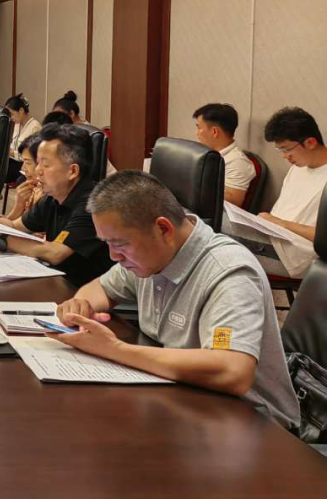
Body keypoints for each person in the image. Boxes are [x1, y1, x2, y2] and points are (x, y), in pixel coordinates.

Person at [53, 171, 299, 429]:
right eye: (106, 243)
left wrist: (114, 350)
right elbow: (101, 288)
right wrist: (81, 306)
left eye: (120, 244)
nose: (114, 256)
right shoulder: (148, 255)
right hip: (185, 399)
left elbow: (233, 371)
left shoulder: (229, 272)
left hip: (252, 423)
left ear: (163, 229)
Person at [0, 123, 112, 286]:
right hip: (56, 281)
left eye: (46, 165)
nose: (38, 171)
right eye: (37, 163)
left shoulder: (93, 203)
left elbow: (55, 252)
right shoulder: (53, 197)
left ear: (72, 171)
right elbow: (15, 226)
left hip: (84, 291)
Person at [226, 107, 327, 279]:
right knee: (211, 226)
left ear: (310, 142)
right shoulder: (298, 168)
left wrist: (282, 223)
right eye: (280, 150)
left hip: (297, 255)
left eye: (287, 149)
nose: (284, 156)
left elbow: (323, 238)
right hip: (274, 239)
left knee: (216, 243)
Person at [193, 103, 255, 207]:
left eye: (199, 128)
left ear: (214, 132)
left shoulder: (237, 162)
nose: (197, 133)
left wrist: (193, 186)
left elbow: (234, 202)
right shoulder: (206, 153)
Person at [6, 134, 44, 221]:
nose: (23, 168)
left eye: (28, 163)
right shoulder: (35, 188)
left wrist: (19, 207)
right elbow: (17, 224)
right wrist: (19, 206)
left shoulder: (47, 195)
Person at [5, 93, 42, 161]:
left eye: (12, 114)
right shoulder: (17, 124)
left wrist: (11, 152)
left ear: (21, 110)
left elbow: (33, 155)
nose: (11, 118)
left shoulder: (35, 127)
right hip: (12, 161)